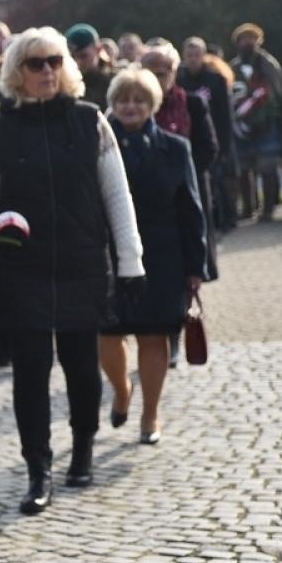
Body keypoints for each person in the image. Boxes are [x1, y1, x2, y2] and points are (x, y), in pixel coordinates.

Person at [0, 26, 143, 514]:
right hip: (19, 270)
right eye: (35, 63)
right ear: (16, 73)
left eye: (54, 61)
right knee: (29, 373)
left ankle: (82, 450)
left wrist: (131, 263)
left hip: (81, 262)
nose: (46, 70)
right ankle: (37, 469)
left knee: (82, 368)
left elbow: (117, 197)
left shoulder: (92, 122)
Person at [97, 66, 208, 447]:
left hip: (163, 256)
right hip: (110, 255)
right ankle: (122, 390)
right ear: (112, 104)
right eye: (123, 100)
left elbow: (192, 209)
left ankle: (150, 414)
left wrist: (196, 267)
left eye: (139, 100)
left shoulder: (176, 148)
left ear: (153, 105)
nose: (130, 107)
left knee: (154, 334)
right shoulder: (96, 148)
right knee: (107, 335)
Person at [142, 41, 218, 277]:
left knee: (189, 265)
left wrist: (179, 175)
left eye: (161, 73)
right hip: (146, 199)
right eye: (149, 74)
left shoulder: (192, 104)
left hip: (186, 194)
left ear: (174, 72)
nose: (155, 80)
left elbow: (208, 147)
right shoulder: (132, 106)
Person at [228, 22, 282, 222]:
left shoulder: (269, 64)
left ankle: (268, 209)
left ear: (259, 41)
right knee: (244, 167)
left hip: (267, 123)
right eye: (244, 38)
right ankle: (248, 207)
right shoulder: (233, 66)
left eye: (252, 38)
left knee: (267, 166)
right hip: (242, 124)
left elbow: (280, 90)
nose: (248, 42)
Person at [178, 36, 238, 233]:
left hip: (211, 135)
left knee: (219, 180)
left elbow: (225, 115)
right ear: (184, 56)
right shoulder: (178, 79)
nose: (193, 58)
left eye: (197, 55)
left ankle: (227, 218)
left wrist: (226, 144)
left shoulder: (215, 80)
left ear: (203, 56)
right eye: (189, 55)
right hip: (185, 136)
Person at [67, 23, 115, 108]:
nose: (77, 62)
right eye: (72, 57)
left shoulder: (114, 82)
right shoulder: (65, 85)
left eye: (83, 56)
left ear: (98, 49)